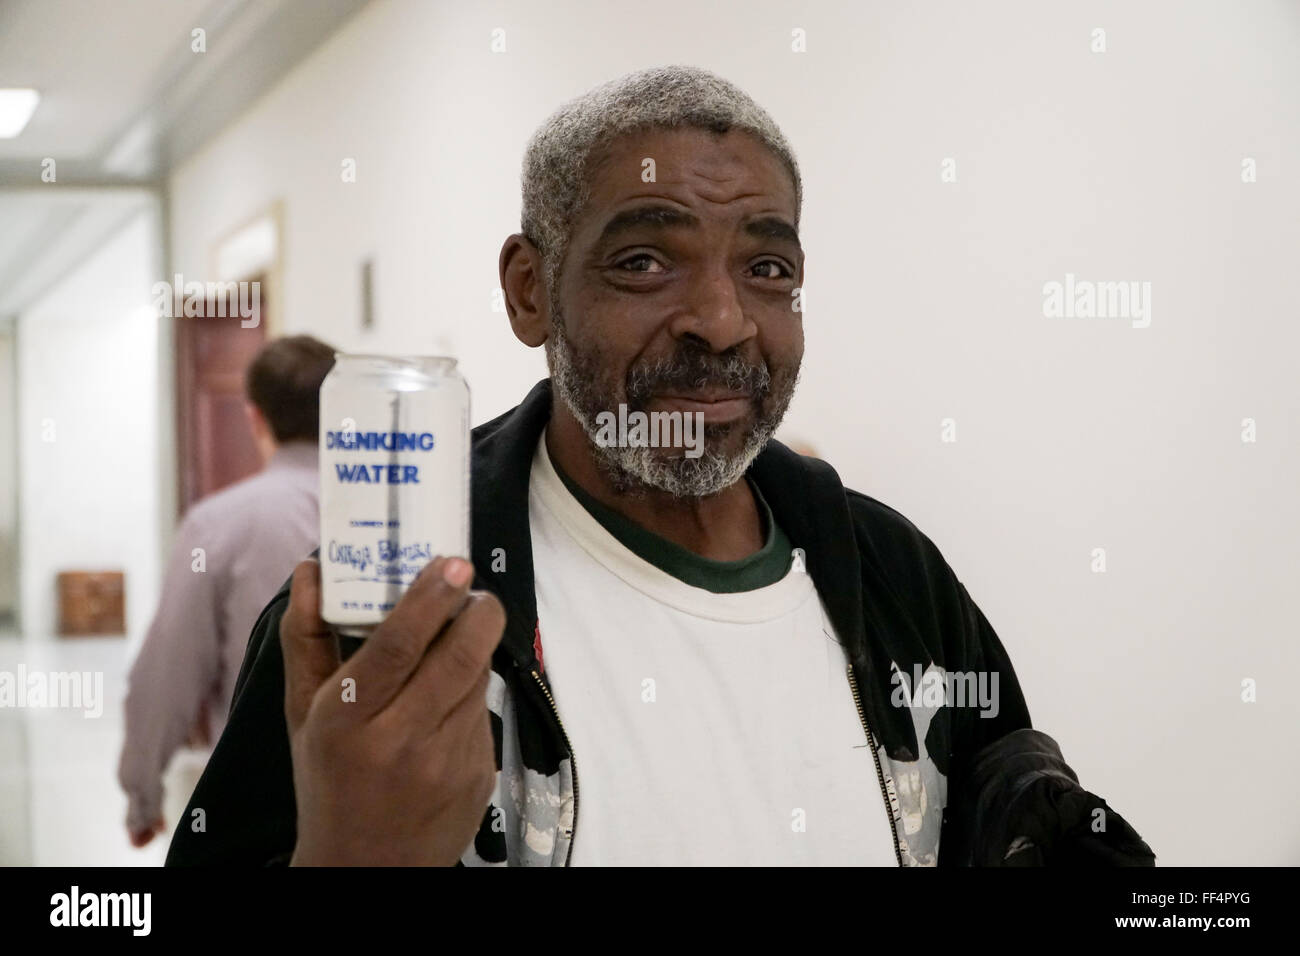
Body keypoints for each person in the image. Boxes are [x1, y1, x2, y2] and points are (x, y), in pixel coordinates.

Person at [166, 66, 1154, 866]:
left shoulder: (894, 574)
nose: (722, 322)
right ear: (529, 290)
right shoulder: (395, 611)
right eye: (643, 261)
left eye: (768, 269)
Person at [118, 334, 336, 848]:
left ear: (254, 417)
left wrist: (142, 796)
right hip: (398, 805)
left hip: (264, 806)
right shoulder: (402, 516)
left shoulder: (219, 524)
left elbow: (168, 671)